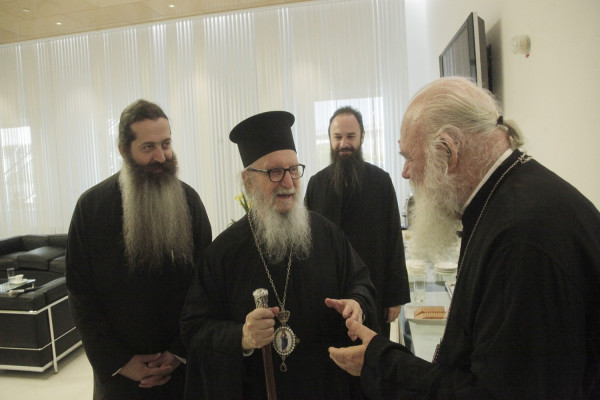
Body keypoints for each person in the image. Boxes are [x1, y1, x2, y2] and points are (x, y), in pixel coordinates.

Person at [328, 77, 600, 399]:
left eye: (409, 157)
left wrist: (382, 362)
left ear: (448, 151)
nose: (406, 172)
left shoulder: (521, 238)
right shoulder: (509, 197)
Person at [180, 111, 378, 399]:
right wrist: (242, 336)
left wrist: (356, 303)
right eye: (274, 172)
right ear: (248, 182)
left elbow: (360, 283)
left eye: (293, 169)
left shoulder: (327, 235)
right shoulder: (223, 253)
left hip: (324, 386)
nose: (288, 182)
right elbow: (195, 329)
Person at [66, 99, 212, 399]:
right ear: (123, 150)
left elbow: (206, 285)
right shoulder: (90, 208)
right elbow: (81, 294)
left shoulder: (189, 202)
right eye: (148, 147)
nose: (161, 156)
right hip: (120, 376)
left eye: (166, 144)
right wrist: (119, 362)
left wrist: (178, 352)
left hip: (181, 370)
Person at [305, 106, 410, 338]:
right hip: (328, 296)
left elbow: (394, 240)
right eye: (338, 137)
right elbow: (307, 243)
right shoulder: (316, 184)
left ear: (362, 137)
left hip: (374, 292)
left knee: (371, 354)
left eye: (350, 136)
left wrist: (395, 298)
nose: (344, 143)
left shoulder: (381, 182)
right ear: (330, 139)